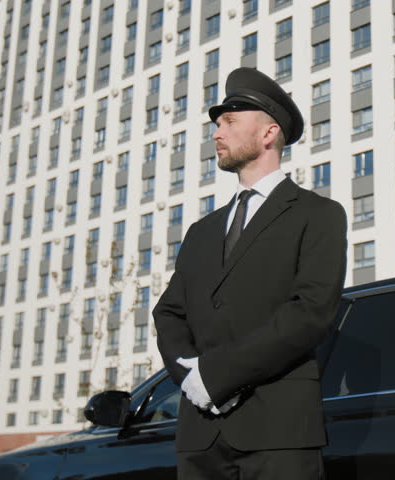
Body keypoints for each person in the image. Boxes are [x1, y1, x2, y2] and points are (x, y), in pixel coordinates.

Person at [153, 67, 348, 480]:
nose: (217, 134)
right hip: (201, 436)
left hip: (278, 433)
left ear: (268, 133)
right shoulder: (201, 231)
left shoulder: (319, 215)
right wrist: (191, 377)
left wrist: (217, 376)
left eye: (229, 122)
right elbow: (169, 313)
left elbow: (310, 312)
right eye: (217, 125)